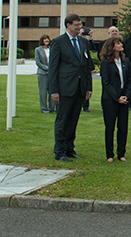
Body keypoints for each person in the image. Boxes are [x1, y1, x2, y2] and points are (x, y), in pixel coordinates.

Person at [48, 14, 93, 162]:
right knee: (62, 120)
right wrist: (54, 91)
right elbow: (53, 68)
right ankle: (59, 151)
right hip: (65, 88)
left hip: (79, 88)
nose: (79, 27)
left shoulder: (83, 42)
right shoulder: (58, 42)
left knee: (73, 120)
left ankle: (69, 149)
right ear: (68, 25)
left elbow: (86, 67)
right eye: (76, 25)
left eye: (80, 24)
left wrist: (88, 87)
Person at [99, 36, 131, 162]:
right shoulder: (106, 63)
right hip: (110, 99)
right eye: (118, 43)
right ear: (112, 47)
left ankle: (121, 153)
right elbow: (106, 83)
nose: (121, 45)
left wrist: (126, 96)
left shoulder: (126, 61)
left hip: (124, 98)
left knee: (123, 127)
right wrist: (117, 97)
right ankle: (109, 154)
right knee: (110, 127)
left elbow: (130, 80)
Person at [36, 34, 55, 114]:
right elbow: (38, 62)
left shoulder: (51, 49)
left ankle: (52, 108)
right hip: (42, 74)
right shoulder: (38, 50)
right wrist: (47, 68)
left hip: (51, 74)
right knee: (43, 92)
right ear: (42, 40)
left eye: (48, 39)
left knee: (52, 91)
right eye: (45, 39)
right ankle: (44, 108)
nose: (47, 40)